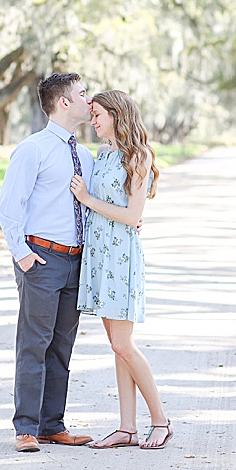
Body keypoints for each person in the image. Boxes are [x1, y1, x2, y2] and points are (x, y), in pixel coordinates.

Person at [0, 73, 95, 453]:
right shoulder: (32, 149)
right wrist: (22, 256)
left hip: (75, 262)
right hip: (41, 258)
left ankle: (53, 424)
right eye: (83, 94)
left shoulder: (84, 155)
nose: (90, 100)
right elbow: (9, 208)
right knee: (34, 343)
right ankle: (26, 427)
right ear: (63, 102)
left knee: (61, 346)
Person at [69, 90, 173, 450]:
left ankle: (160, 421)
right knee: (117, 347)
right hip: (99, 257)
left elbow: (132, 216)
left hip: (121, 257)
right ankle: (126, 428)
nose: (92, 120)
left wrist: (87, 199)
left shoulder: (139, 156)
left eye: (97, 114)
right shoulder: (104, 153)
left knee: (124, 344)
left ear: (116, 114)